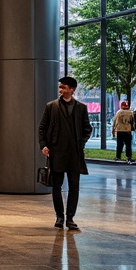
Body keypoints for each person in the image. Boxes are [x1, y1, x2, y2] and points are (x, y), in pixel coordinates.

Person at [39, 75, 94, 231]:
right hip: (56, 152)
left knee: (74, 187)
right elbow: (42, 127)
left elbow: (87, 128)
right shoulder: (51, 106)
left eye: (64, 87)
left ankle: (70, 218)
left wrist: (81, 143)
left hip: (74, 153)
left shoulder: (81, 108)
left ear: (72, 89)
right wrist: (43, 145)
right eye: (60, 87)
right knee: (56, 186)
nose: (61, 90)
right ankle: (59, 217)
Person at [111, 99, 134, 163]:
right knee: (128, 144)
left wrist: (113, 130)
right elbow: (133, 122)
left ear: (121, 106)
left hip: (120, 130)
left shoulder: (119, 112)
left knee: (119, 144)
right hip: (128, 130)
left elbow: (115, 121)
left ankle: (118, 156)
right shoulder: (131, 113)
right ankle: (128, 157)